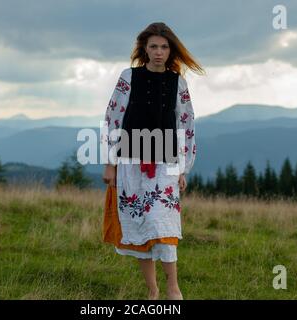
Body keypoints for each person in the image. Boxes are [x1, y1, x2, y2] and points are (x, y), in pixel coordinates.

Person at [101, 22, 205, 300]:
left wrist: (183, 168)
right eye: (153, 46)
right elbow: (113, 118)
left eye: (164, 47)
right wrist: (110, 162)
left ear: (171, 50)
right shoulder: (128, 77)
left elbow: (186, 125)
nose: (159, 52)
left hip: (166, 163)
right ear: (144, 49)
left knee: (164, 224)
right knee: (138, 226)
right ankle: (152, 291)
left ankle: (173, 287)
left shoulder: (177, 82)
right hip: (130, 161)